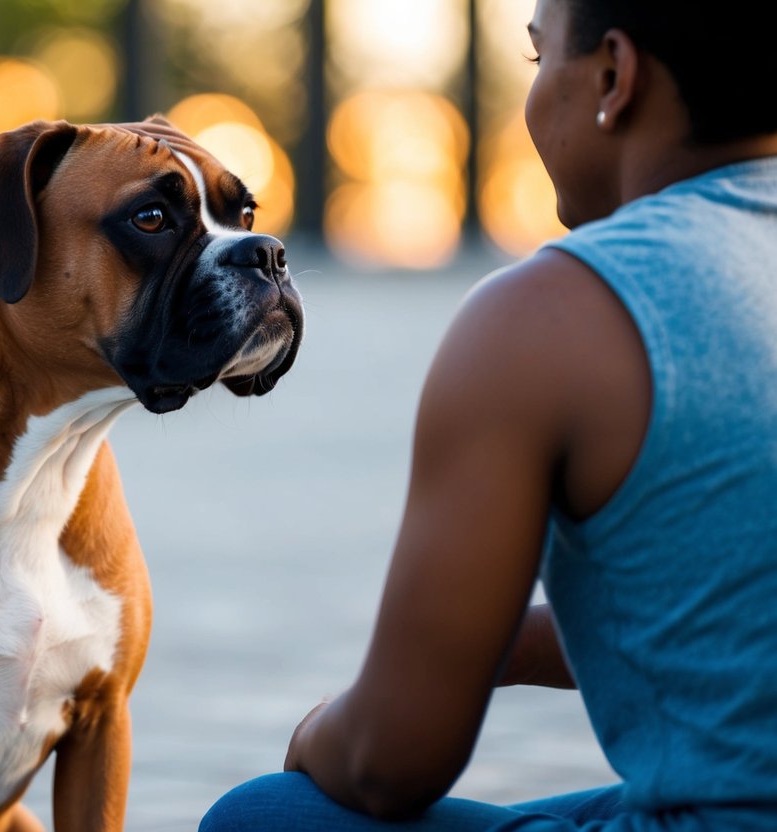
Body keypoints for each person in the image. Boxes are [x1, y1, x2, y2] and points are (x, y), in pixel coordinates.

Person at [199, 0, 777, 829]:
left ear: (613, 77)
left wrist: (323, 730)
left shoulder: (551, 311)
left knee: (263, 815)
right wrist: (497, 647)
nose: (534, 96)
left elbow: (390, 765)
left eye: (537, 58)